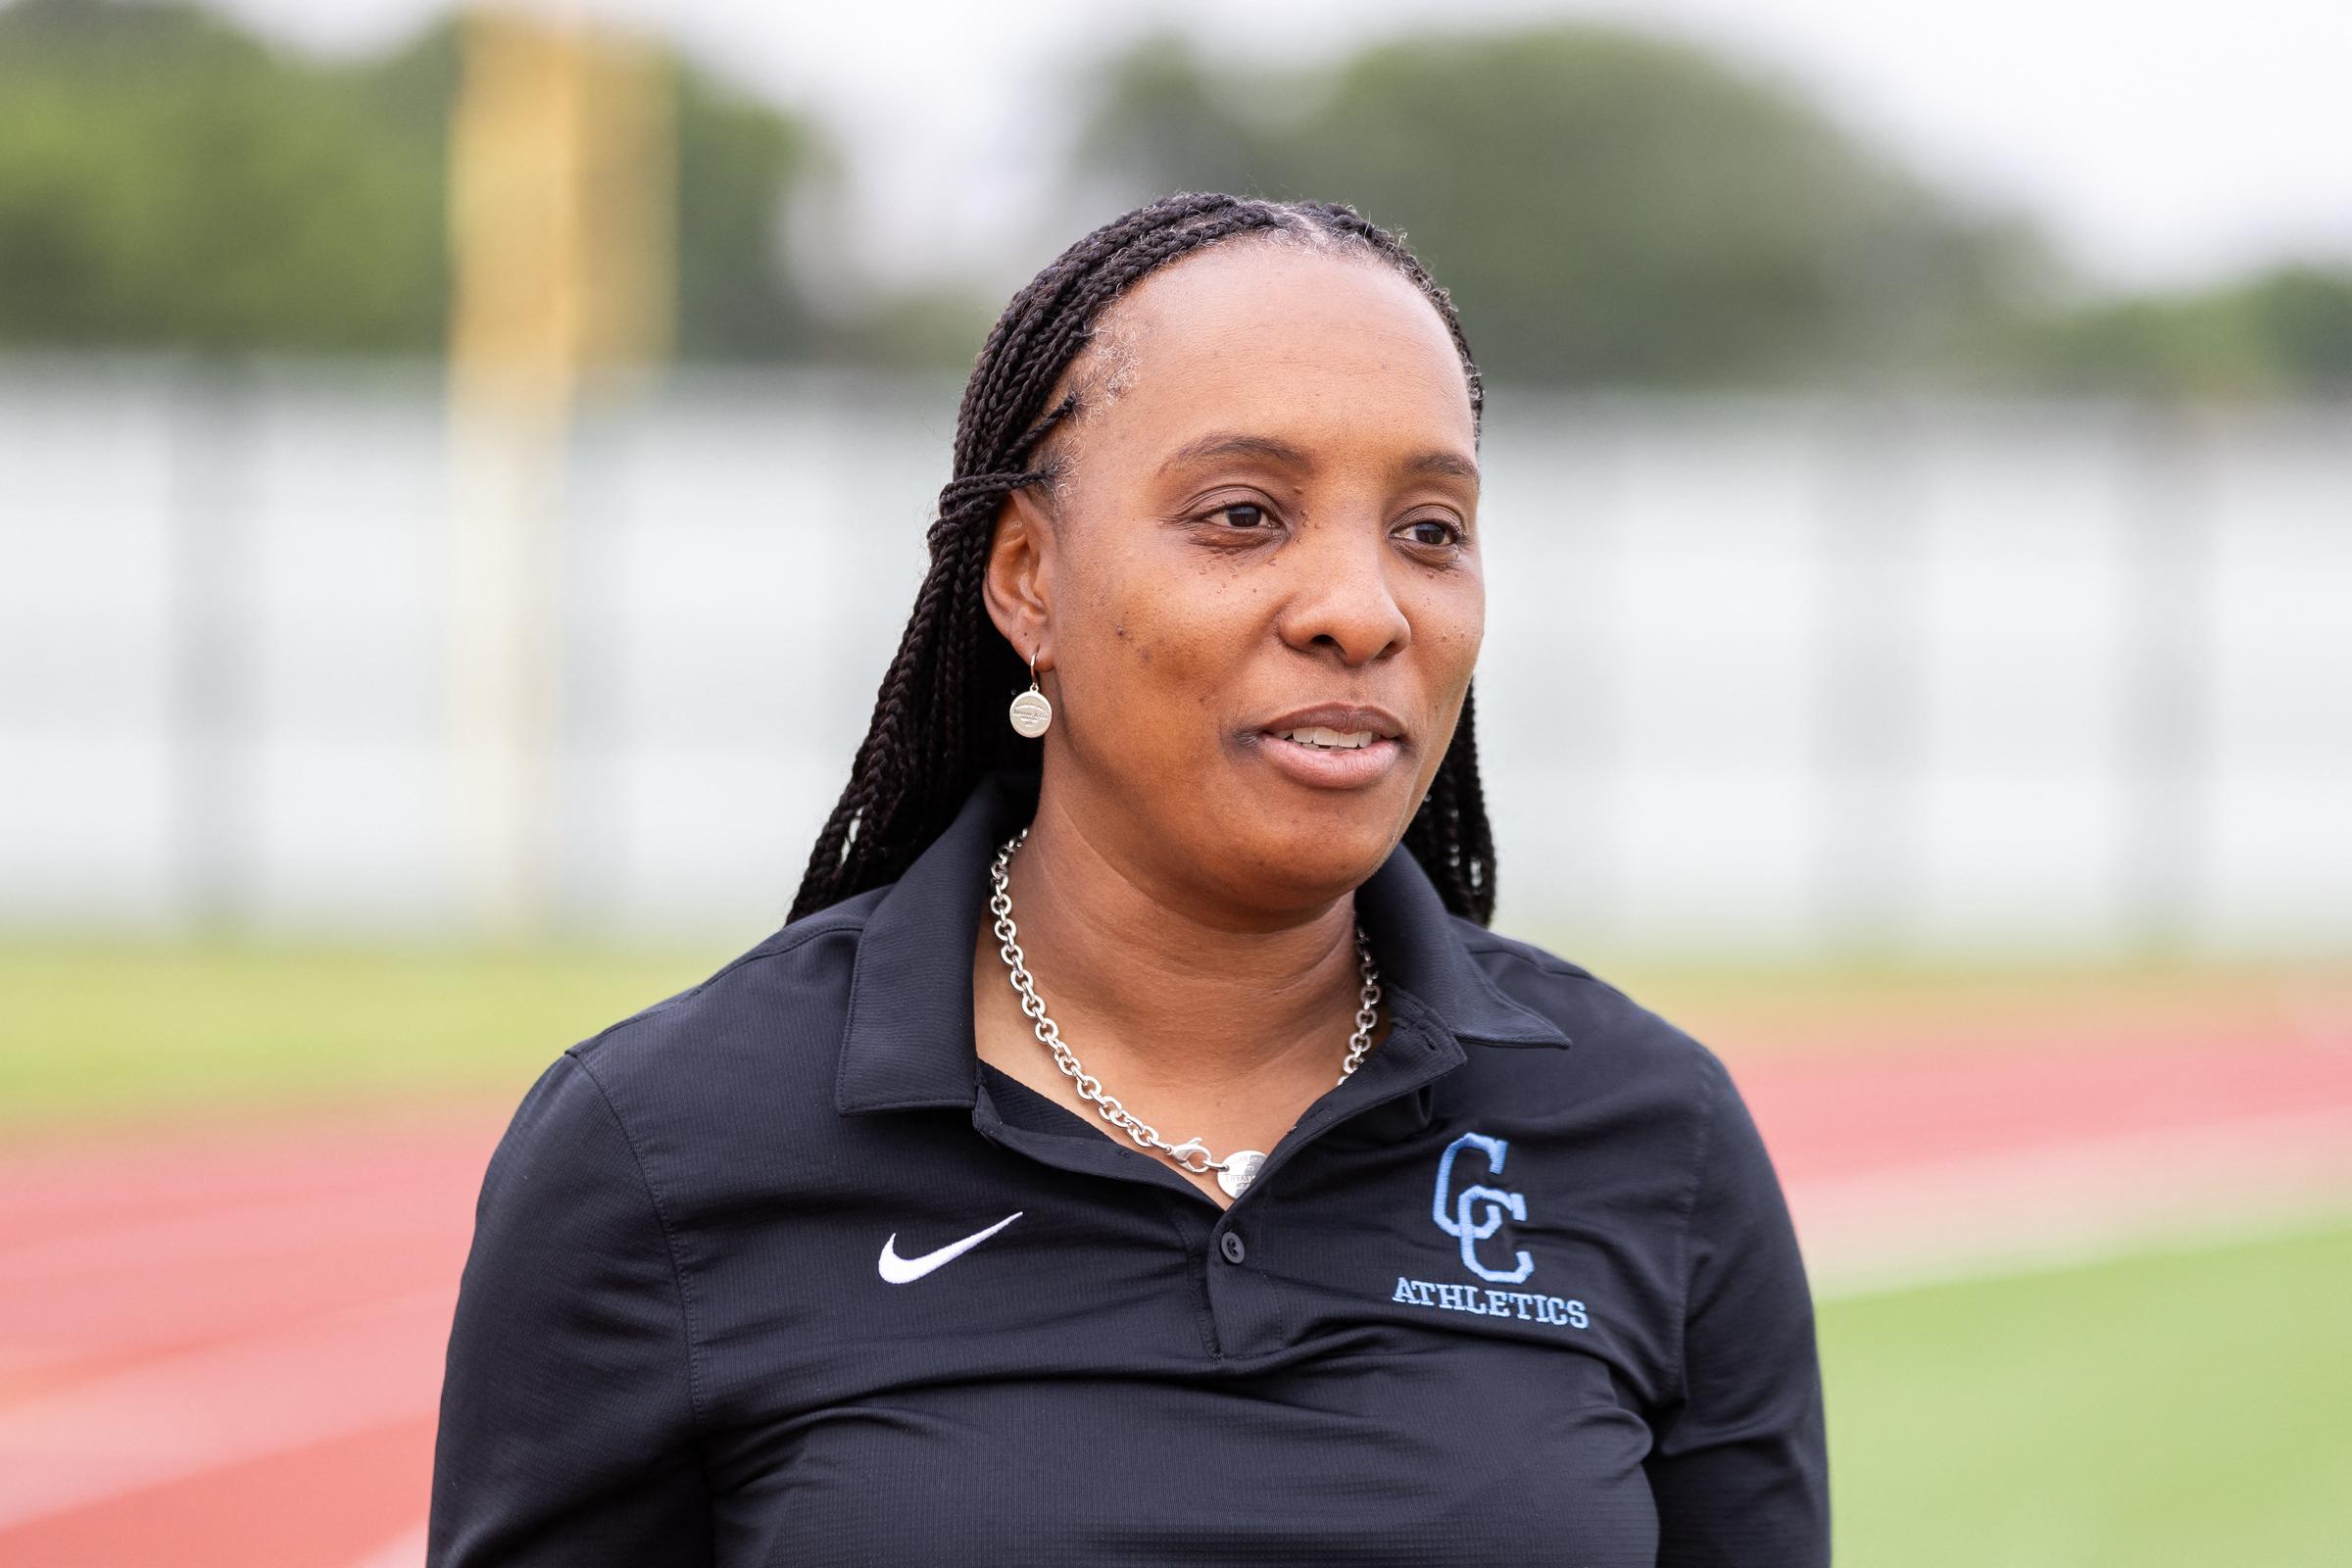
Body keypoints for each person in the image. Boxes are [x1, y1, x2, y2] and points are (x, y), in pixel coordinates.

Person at [426, 191, 1829, 1566]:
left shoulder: (1654, 1134)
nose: (1363, 609)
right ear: (1028, 578)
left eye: (1429, 530)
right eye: (1242, 515)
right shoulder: (665, 1147)